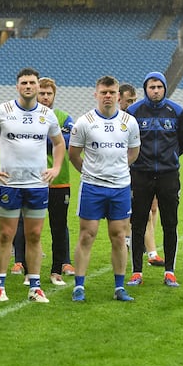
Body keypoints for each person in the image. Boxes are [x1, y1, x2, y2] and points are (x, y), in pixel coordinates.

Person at [0, 68, 65, 303]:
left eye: (32, 83)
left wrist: (55, 168)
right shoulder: (2, 111)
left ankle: (35, 286)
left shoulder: (47, 114)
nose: (28, 86)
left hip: (37, 185)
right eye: (24, 82)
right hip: (9, 184)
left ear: (37, 86)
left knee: (34, 235)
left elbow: (58, 143)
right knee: (6, 235)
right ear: (17, 86)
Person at [68, 75, 141, 302]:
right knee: (87, 235)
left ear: (118, 96)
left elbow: (133, 152)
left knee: (119, 236)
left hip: (120, 187)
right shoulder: (84, 122)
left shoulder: (129, 122)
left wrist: (117, 170)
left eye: (112, 93)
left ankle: (119, 287)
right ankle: (79, 286)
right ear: (96, 94)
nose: (108, 96)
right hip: (92, 188)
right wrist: (91, 173)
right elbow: (74, 154)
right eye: (103, 92)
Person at [125, 72, 183, 288]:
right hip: (140, 174)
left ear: (164, 88)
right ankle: (136, 271)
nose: (155, 90)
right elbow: (128, 141)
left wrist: (167, 159)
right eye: (152, 87)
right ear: (145, 89)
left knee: (170, 223)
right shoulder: (133, 112)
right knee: (138, 223)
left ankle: (169, 271)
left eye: (159, 87)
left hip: (168, 175)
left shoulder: (176, 111)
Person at [11, 77, 75, 285]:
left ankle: (57, 269)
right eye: (42, 93)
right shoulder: (25, 116)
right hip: (30, 181)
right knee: (29, 227)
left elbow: (67, 141)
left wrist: (39, 138)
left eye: (49, 94)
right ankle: (27, 269)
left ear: (54, 95)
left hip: (59, 180)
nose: (46, 97)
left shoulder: (63, 117)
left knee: (58, 226)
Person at [118, 83, 165, 267]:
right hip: (123, 172)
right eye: (128, 100)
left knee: (149, 209)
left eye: (133, 100)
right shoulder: (118, 120)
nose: (131, 104)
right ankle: (130, 244)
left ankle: (150, 251)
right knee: (125, 213)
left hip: (142, 171)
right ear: (119, 99)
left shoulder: (137, 117)